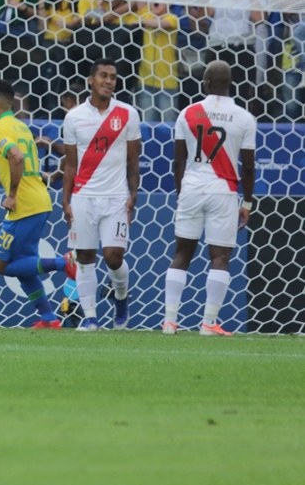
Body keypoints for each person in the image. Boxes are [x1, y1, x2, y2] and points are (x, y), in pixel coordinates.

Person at [0, 80, 76, 328]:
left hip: (24, 206)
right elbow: (22, 166)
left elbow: (15, 157)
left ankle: (63, 263)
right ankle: (48, 318)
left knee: (2, 265)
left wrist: (13, 194)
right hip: (39, 200)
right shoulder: (21, 127)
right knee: (25, 265)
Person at [163, 60, 256, 337]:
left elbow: (177, 162)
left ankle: (169, 321)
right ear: (230, 84)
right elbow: (249, 166)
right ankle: (208, 323)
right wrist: (247, 203)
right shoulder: (244, 117)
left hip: (191, 188)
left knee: (181, 253)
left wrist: (183, 195)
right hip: (223, 191)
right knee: (220, 256)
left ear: (205, 83)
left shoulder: (187, 113)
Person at [60, 59, 141, 331]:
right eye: (104, 76)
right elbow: (70, 164)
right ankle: (91, 317)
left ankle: (121, 297)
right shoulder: (74, 117)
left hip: (117, 197)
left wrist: (133, 193)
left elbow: (133, 161)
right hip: (83, 196)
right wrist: (66, 199)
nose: (109, 81)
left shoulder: (128, 114)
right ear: (91, 81)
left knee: (113, 256)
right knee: (84, 256)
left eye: (113, 77)